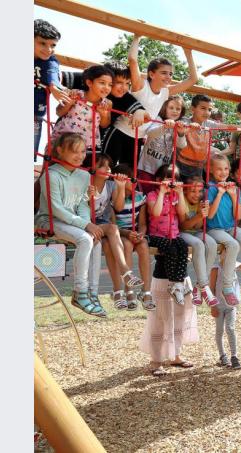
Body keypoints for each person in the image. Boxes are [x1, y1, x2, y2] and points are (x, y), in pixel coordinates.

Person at [35, 133, 106, 317]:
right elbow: (56, 209)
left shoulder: (83, 175)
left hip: (72, 222)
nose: (80, 156)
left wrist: (88, 224)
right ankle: (80, 292)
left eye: (83, 151)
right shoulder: (51, 175)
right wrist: (85, 226)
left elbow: (82, 205)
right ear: (60, 150)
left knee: (94, 238)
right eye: (74, 151)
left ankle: (93, 292)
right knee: (85, 238)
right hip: (50, 220)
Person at [103, 35, 198, 167]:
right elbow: (132, 60)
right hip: (119, 132)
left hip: (137, 138)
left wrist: (188, 52)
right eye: (164, 73)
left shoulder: (165, 93)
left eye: (170, 74)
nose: (168, 76)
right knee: (105, 166)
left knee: (128, 174)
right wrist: (137, 36)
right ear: (152, 74)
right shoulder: (140, 86)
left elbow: (193, 79)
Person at [84, 152, 144, 309]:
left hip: (103, 225)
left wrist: (120, 186)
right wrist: (89, 197)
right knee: (112, 228)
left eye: (108, 165)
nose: (108, 168)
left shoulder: (110, 185)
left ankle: (118, 291)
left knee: (109, 243)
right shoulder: (86, 184)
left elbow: (117, 206)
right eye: (102, 166)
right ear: (92, 169)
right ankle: (125, 272)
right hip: (88, 223)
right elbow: (82, 210)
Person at [206, 154, 241, 304]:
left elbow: (238, 215)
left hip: (230, 226)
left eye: (226, 168)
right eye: (219, 169)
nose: (223, 172)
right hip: (214, 229)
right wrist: (220, 193)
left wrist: (234, 196)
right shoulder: (210, 188)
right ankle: (227, 287)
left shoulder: (232, 187)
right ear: (211, 171)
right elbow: (209, 215)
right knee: (233, 245)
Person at [138, 255, 197, 377]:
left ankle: (175, 355)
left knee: (180, 317)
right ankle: (156, 360)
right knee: (158, 320)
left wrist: (188, 253)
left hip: (182, 278)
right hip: (162, 278)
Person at [147, 164, 190, 306]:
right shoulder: (152, 195)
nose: (172, 181)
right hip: (156, 235)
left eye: (175, 179)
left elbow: (182, 212)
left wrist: (181, 193)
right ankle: (174, 282)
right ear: (159, 179)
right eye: (168, 178)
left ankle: (178, 283)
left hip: (173, 234)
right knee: (171, 250)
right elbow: (156, 213)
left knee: (183, 247)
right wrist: (161, 192)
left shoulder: (175, 196)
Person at [112, 163, 153, 309]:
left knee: (143, 246)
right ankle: (128, 290)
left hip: (134, 232)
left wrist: (141, 234)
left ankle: (146, 290)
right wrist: (121, 188)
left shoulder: (140, 198)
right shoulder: (114, 198)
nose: (134, 182)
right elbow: (114, 221)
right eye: (130, 179)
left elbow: (142, 223)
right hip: (121, 233)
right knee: (127, 245)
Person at [50, 65, 114, 149]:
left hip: (86, 145)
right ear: (89, 83)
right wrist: (69, 103)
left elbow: (105, 125)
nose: (107, 88)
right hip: (63, 140)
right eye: (102, 83)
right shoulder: (76, 94)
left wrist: (103, 114)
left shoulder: (107, 103)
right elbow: (59, 112)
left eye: (110, 85)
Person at [178, 175, 218, 307]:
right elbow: (183, 226)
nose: (197, 194)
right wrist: (200, 215)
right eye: (193, 191)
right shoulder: (182, 200)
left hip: (195, 231)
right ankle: (205, 287)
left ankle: (199, 285)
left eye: (200, 191)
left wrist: (201, 215)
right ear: (185, 191)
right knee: (198, 245)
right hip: (182, 233)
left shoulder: (201, 202)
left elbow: (198, 227)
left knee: (212, 244)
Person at [138, 95, 188, 195]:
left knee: (156, 194)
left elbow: (181, 145)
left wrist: (181, 133)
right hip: (146, 166)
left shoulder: (177, 126)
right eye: (171, 108)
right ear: (165, 108)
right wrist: (164, 127)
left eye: (178, 109)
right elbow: (151, 133)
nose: (174, 111)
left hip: (162, 170)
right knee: (144, 192)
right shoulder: (157, 119)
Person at [34, 19, 70, 159]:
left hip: (35, 115)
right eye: (42, 43)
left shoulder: (50, 61)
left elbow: (52, 73)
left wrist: (54, 86)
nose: (48, 49)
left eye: (53, 45)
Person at [209, 251, 241, 369]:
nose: (228, 255)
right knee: (219, 330)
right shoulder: (216, 269)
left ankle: (234, 356)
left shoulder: (234, 265)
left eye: (230, 253)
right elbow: (211, 288)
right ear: (220, 254)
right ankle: (222, 355)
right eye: (225, 252)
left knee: (230, 328)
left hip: (230, 306)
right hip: (218, 305)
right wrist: (213, 306)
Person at [177, 94, 220, 178]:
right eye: (203, 108)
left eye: (209, 109)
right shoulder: (185, 121)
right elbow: (181, 126)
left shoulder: (208, 123)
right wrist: (189, 127)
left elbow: (227, 126)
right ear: (193, 109)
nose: (207, 112)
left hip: (198, 168)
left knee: (196, 190)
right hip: (181, 165)